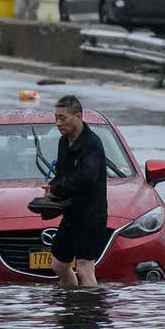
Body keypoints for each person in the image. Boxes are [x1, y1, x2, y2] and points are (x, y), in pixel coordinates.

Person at [43, 93, 111, 287]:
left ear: (79, 116)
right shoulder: (63, 142)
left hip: (92, 216)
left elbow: (86, 176)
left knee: (84, 267)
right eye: (55, 118)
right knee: (58, 265)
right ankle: (71, 303)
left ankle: (88, 311)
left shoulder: (92, 143)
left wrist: (58, 188)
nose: (57, 123)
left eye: (62, 118)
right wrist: (52, 187)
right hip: (72, 215)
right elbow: (63, 174)